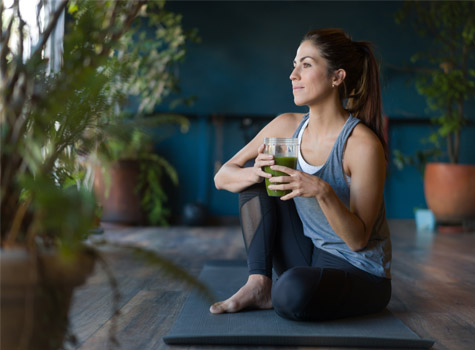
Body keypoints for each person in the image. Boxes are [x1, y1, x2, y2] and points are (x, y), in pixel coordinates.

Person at [210, 28, 392, 321]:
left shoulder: (361, 145)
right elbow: (222, 177)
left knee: (292, 293)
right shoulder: (286, 126)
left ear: (337, 77)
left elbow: (358, 240)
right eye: (295, 65)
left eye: (306, 65)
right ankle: (258, 284)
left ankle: (283, 290)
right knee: (254, 182)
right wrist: (255, 173)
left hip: (359, 271)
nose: (293, 75)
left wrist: (322, 191)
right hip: (310, 253)